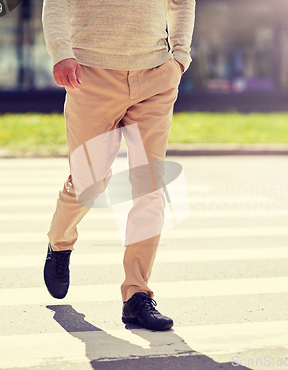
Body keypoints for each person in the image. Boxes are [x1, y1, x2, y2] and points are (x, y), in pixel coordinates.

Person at [41, 0, 195, 331]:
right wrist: (61, 52)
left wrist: (180, 56)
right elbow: (57, 4)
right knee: (88, 184)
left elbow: (181, 3)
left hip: (155, 75)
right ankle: (60, 243)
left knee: (149, 184)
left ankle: (137, 295)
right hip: (90, 76)